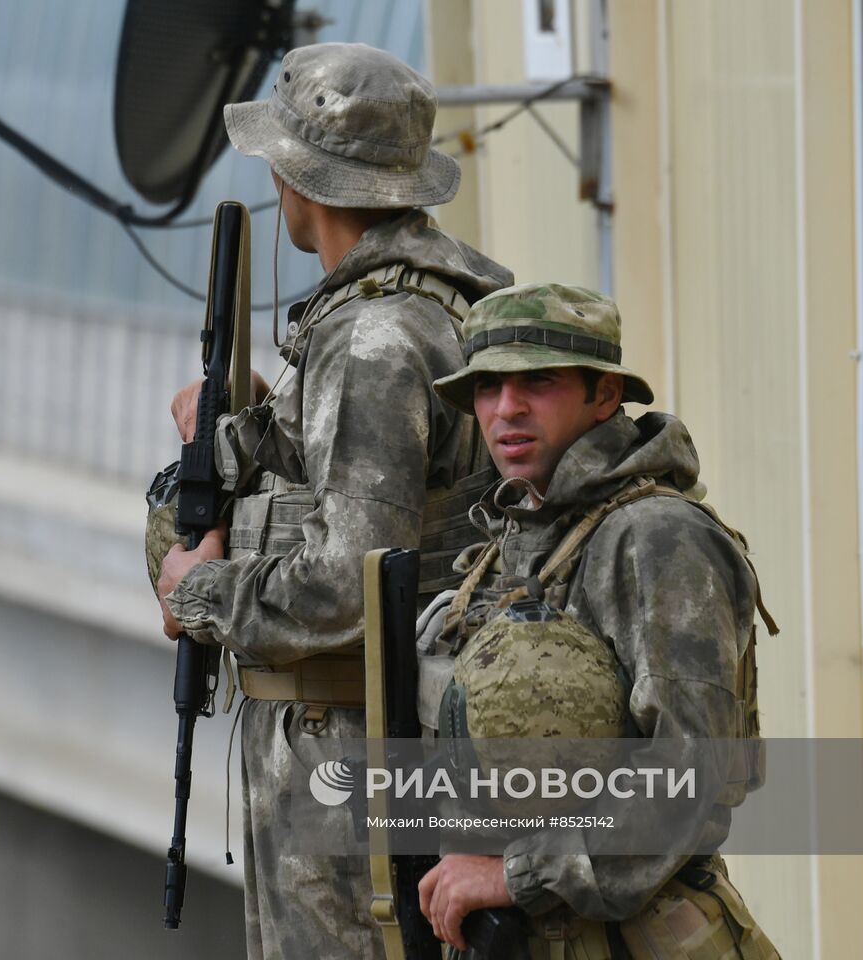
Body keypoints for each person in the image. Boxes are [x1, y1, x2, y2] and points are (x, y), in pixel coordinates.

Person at [156, 42, 512, 960]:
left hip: (352, 752)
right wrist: (230, 435)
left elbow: (354, 584)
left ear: (297, 182)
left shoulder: (373, 342)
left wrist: (196, 592)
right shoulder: (445, 303)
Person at [415, 282, 781, 958]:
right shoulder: (522, 534)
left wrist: (516, 874)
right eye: (488, 388)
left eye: (540, 382)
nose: (507, 409)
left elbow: (689, 773)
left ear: (605, 396)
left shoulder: (654, 538)